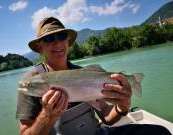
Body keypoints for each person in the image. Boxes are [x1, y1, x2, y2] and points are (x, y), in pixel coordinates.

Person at [16, 17, 171, 135]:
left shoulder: (84, 72)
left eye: (62, 36)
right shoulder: (30, 81)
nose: (57, 43)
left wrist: (123, 106)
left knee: (159, 132)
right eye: (49, 39)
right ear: (39, 47)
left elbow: (106, 118)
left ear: (68, 41)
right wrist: (47, 116)